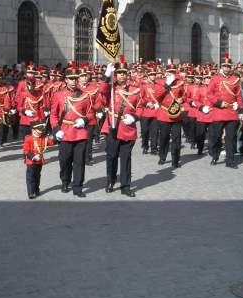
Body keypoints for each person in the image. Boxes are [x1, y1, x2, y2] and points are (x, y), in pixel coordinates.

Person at [100, 58, 143, 197]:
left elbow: (140, 107)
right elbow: (102, 90)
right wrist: (106, 76)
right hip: (112, 126)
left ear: (128, 74)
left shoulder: (135, 90)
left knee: (126, 159)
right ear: (115, 75)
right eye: (119, 73)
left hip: (127, 128)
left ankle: (125, 186)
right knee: (111, 157)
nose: (122, 75)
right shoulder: (110, 88)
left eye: (124, 73)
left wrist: (135, 118)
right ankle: (111, 181)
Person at [50, 63, 92, 197]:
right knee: (65, 160)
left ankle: (77, 186)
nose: (74, 81)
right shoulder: (58, 95)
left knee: (79, 161)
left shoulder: (85, 95)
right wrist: (56, 129)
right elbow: (53, 114)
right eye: (71, 78)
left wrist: (84, 120)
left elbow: (90, 113)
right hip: (65, 132)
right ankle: (65, 181)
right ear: (66, 80)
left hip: (80, 133)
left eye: (76, 78)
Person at [207, 60, 243, 169]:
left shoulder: (235, 80)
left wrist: (241, 111)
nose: (227, 68)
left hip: (231, 112)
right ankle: (215, 155)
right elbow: (209, 94)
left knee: (231, 138)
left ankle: (230, 160)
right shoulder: (215, 79)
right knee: (216, 136)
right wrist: (218, 102)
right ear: (221, 67)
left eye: (229, 66)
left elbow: (239, 97)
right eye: (225, 66)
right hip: (218, 112)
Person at [155, 62, 186, 168]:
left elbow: (184, 95)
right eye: (169, 72)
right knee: (164, 137)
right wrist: (167, 84)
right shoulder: (160, 82)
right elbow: (157, 95)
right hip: (164, 113)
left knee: (177, 138)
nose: (171, 74)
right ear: (165, 72)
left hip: (176, 114)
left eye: (173, 72)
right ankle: (162, 156)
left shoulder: (180, 82)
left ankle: (175, 160)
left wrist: (182, 99)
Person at [22, 120, 54, 199]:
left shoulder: (43, 138)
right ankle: (31, 192)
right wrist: (33, 156)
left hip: (39, 161)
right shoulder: (28, 138)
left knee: (37, 176)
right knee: (30, 177)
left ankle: (36, 190)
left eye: (41, 129)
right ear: (33, 130)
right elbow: (26, 150)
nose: (41, 131)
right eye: (39, 129)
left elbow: (52, 142)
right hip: (31, 161)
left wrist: (59, 137)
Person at [140, 64, 160, 155]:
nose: (153, 76)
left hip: (155, 112)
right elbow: (140, 98)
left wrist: (157, 104)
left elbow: (162, 97)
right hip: (145, 112)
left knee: (155, 131)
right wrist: (146, 103)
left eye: (154, 74)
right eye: (151, 74)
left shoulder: (158, 86)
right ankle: (145, 146)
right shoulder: (144, 86)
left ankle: (154, 148)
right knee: (145, 130)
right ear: (148, 76)